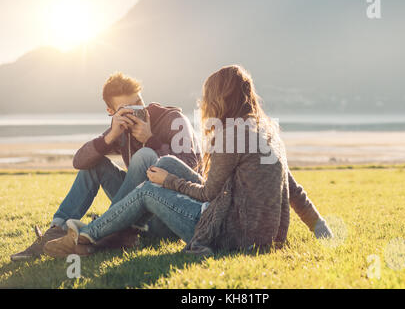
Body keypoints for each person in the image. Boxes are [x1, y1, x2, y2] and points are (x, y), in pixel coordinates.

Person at [44, 65, 332, 258]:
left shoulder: (232, 135)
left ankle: (86, 237)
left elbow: (208, 194)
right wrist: (321, 228)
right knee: (165, 162)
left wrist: (167, 182)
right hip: (255, 231)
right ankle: (102, 230)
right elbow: (293, 189)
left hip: (228, 233)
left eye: (208, 96)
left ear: (220, 98)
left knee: (147, 189)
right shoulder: (266, 132)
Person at [10, 72, 202, 261]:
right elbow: (79, 162)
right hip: (137, 212)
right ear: (111, 111)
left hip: (170, 216)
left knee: (145, 156)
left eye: (138, 103)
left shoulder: (174, 120)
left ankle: (103, 232)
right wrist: (110, 136)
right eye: (127, 108)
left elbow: (190, 168)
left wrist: (150, 139)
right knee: (95, 163)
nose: (136, 112)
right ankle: (56, 231)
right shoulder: (121, 128)